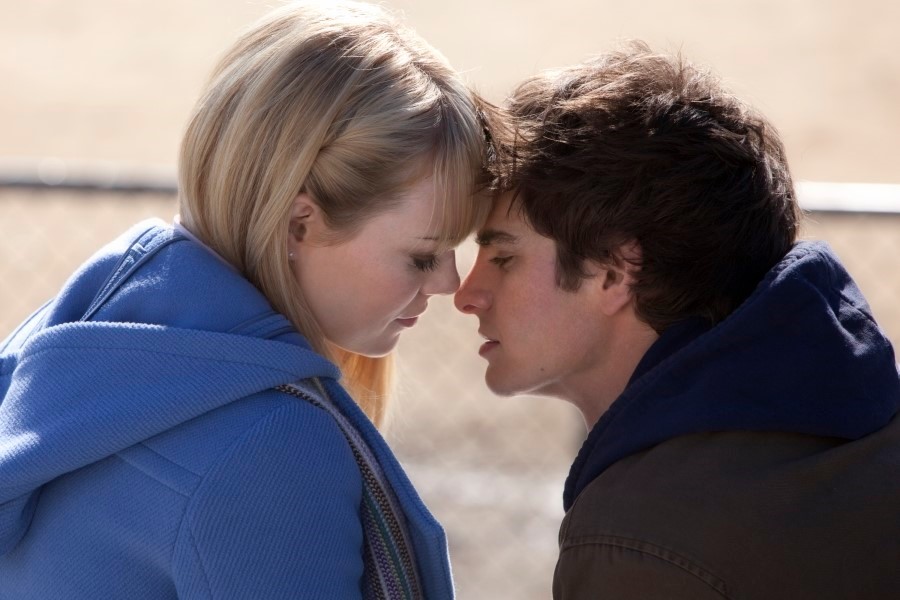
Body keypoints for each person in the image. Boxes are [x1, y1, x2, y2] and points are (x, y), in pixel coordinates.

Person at [0, 2, 492, 598]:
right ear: (298, 224)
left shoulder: (81, 335)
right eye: (422, 256)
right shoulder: (271, 445)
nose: (450, 284)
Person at [455, 42, 900, 599]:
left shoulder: (641, 541)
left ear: (614, 272)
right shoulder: (866, 427)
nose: (466, 295)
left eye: (503, 258)